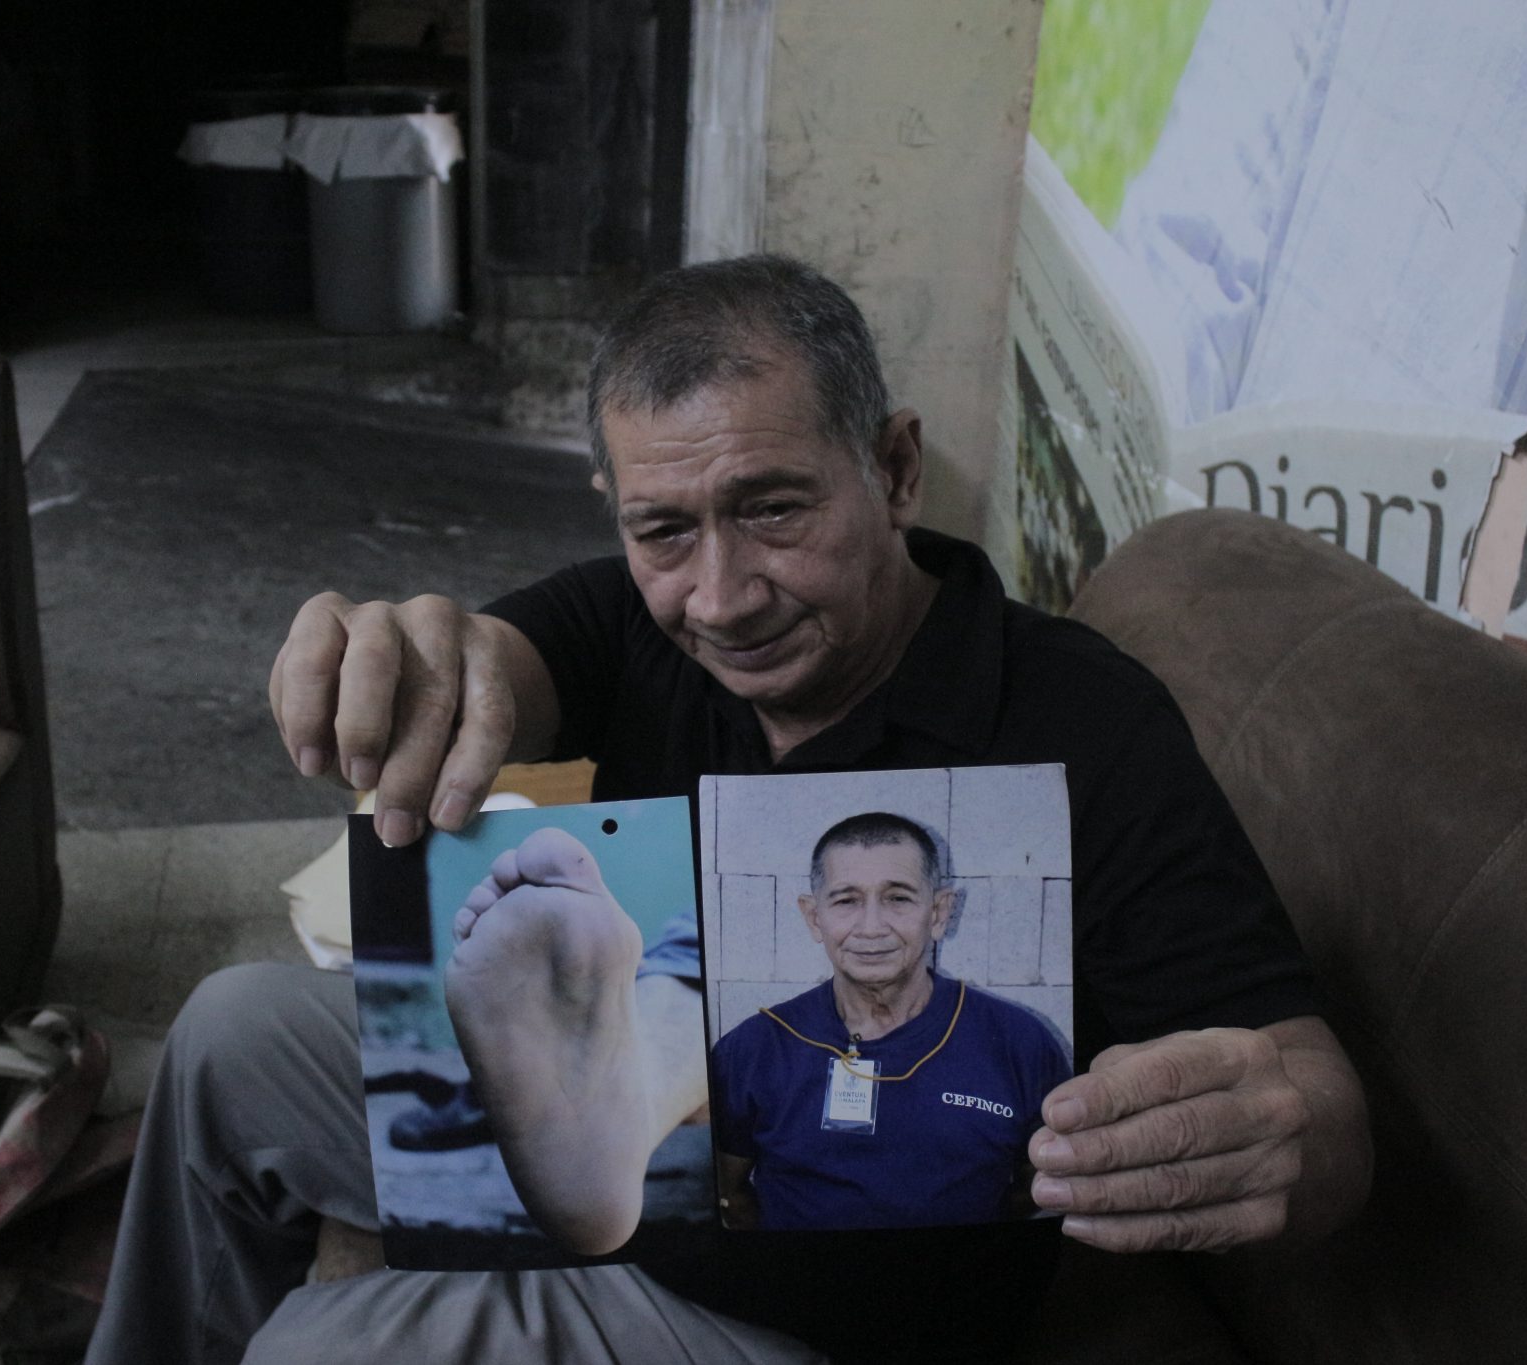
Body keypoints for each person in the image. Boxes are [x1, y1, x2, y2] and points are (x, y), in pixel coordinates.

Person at [86, 254, 1372, 1365]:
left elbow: (1317, 1098)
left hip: (821, 1309)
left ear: (894, 467)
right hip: (706, 1118)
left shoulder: (1084, 722)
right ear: (620, 514)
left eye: (771, 510)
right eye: (663, 531)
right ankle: (628, 1089)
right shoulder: (636, 621)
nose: (719, 598)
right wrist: (429, 669)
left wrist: (1272, 1131)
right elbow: (504, 667)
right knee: (228, 1029)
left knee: (313, 1349)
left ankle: (624, 1099)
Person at [709, 812, 1072, 1232]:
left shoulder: (1018, 1043)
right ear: (814, 917)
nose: (871, 927)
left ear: (938, 912)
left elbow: (1039, 1184)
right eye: (846, 901)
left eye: (898, 898)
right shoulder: (753, 1049)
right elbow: (726, 1193)